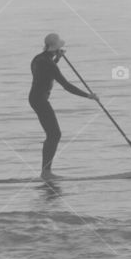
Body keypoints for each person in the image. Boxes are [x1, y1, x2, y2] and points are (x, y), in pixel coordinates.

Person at [29, 33, 98, 179]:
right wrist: (88, 96)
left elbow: (45, 73)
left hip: (35, 99)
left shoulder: (38, 59)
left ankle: (46, 171)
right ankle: (46, 172)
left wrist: (57, 58)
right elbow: (66, 85)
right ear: (56, 47)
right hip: (40, 100)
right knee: (54, 134)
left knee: (53, 134)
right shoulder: (48, 63)